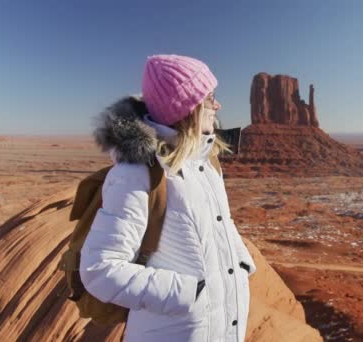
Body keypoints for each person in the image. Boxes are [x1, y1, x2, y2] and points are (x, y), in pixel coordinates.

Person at [79, 54, 257, 342]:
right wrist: (190, 293)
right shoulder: (137, 174)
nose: (218, 105)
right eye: (210, 97)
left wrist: (241, 264)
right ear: (187, 108)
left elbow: (220, 224)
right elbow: (99, 269)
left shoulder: (207, 162)